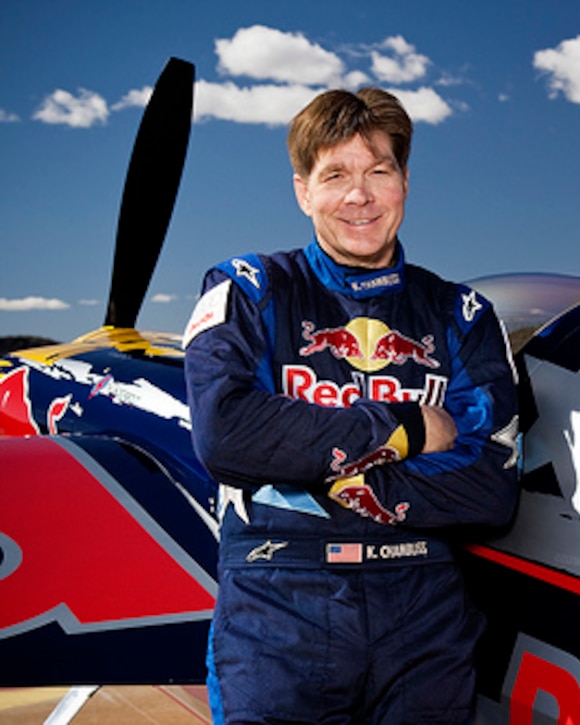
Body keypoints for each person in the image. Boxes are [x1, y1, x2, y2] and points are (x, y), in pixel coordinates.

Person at [183, 87, 520, 724]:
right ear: (302, 191)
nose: (358, 196)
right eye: (335, 174)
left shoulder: (462, 314)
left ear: (405, 182)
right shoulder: (247, 290)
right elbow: (227, 436)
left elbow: (492, 488)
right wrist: (406, 426)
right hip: (278, 605)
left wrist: (325, 466)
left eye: (378, 171)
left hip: (425, 612)